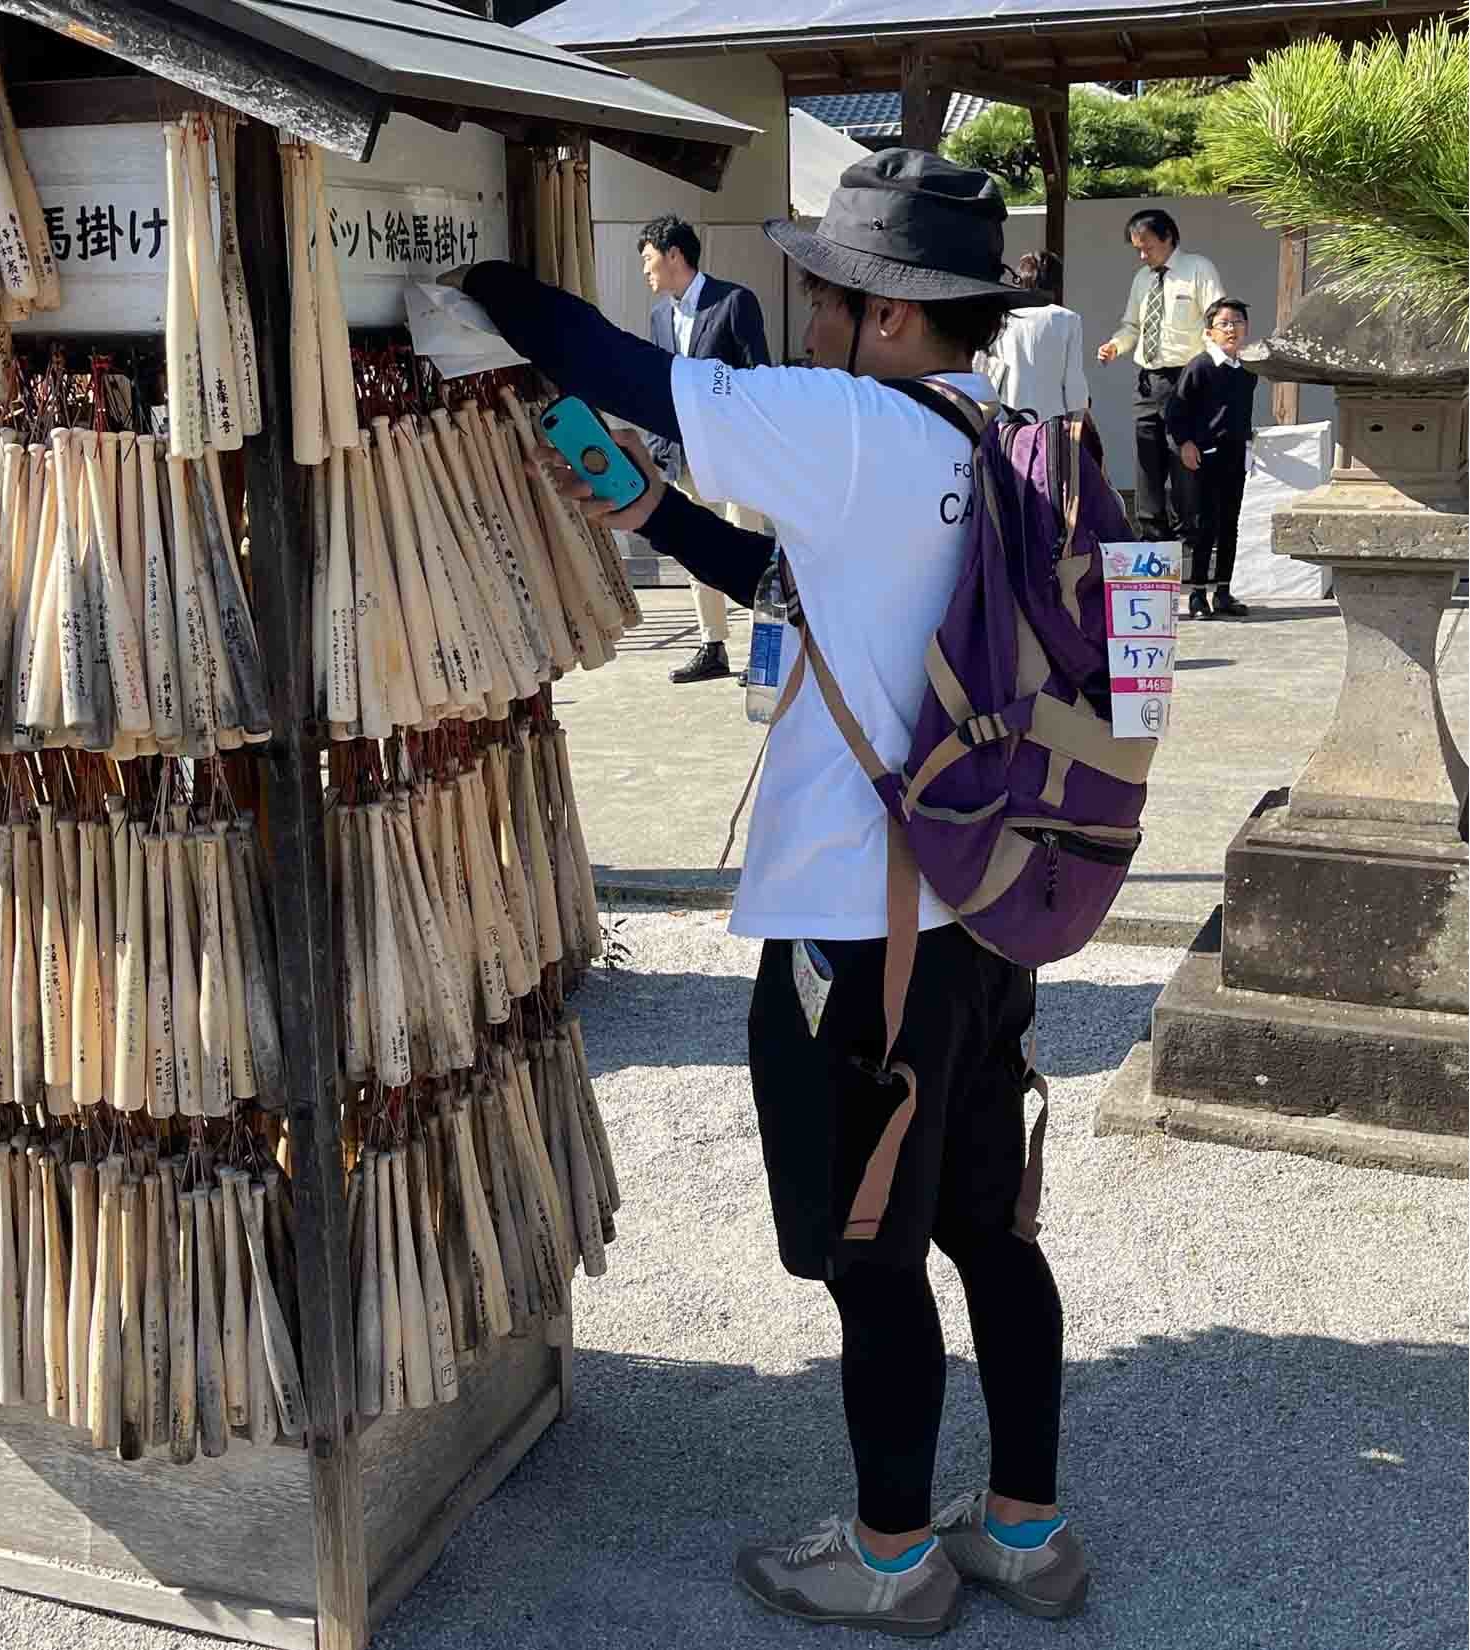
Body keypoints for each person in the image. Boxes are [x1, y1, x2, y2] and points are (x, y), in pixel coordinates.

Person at [449, 149, 1085, 1637]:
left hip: (860, 922)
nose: (800, 314)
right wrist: (650, 516)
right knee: (989, 1225)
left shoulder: (851, 420)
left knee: (867, 1251)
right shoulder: (992, 432)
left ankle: (882, 1556)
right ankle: (1025, 1529)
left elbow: (615, 359)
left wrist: (468, 284)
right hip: (985, 899)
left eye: (819, 291)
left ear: (877, 311)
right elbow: (793, 585)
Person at [638, 213, 772, 684]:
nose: (646, 270)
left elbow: (759, 377)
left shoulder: (734, 302)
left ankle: (764, 650)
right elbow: (658, 384)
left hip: (735, 454)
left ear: (675, 255)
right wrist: (659, 447)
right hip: (683, 454)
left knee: (748, 545)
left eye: (649, 259)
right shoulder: (659, 316)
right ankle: (711, 645)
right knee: (696, 548)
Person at [1096, 208, 1223, 543]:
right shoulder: (1143, 279)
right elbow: (1132, 327)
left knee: (1185, 458)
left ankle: (1192, 538)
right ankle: (1153, 536)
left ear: (1168, 238)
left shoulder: (1198, 269)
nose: (1142, 255)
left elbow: (1217, 324)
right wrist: (1115, 346)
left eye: (1148, 247)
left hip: (1187, 377)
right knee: (1147, 459)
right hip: (1148, 379)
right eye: (1137, 248)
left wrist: (1209, 373)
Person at [1165, 298, 1256, 619]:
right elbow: (1175, 411)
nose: (1232, 329)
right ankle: (1197, 594)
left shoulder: (1247, 370)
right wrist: (1185, 444)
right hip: (1205, 456)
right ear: (1210, 331)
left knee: (1230, 524)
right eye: (1225, 324)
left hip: (1235, 454)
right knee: (1204, 523)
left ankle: (1224, 590)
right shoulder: (1200, 366)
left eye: (1238, 323)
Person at [974, 251, 1088, 421]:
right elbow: (1074, 381)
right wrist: (1079, 415)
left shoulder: (1002, 317)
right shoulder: (1068, 319)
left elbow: (980, 367)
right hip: (1051, 422)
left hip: (1007, 416)